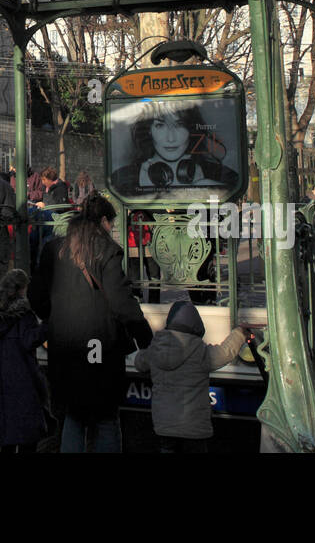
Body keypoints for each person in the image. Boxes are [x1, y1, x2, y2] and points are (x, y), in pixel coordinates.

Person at [29, 192, 153, 453]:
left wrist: (57, 318)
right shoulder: (107, 251)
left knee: (73, 417)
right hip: (100, 348)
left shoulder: (54, 249)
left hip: (64, 348)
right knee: (106, 417)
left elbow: (36, 296)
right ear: (104, 221)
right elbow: (122, 303)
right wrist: (146, 340)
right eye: (111, 223)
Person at [146, 301, 251, 453]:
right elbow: (224, 353)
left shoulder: (155, 349)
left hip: (164, 425)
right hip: (193, 427)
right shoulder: (199, 351)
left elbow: (139, 362)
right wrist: (240, 333)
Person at [0, 268, 49, 454]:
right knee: (27, 441)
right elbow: (30, 340)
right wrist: (48, 325)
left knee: (6, 444)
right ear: (22, 289)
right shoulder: (24, 316)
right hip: (22, 387)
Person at [112, 104, 238, 193]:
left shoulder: (219, 174)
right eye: (160, 126)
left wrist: (217, 191)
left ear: (191, 129)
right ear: (149, 130)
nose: (171, 138)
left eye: (180, 125)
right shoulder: (123, 178)